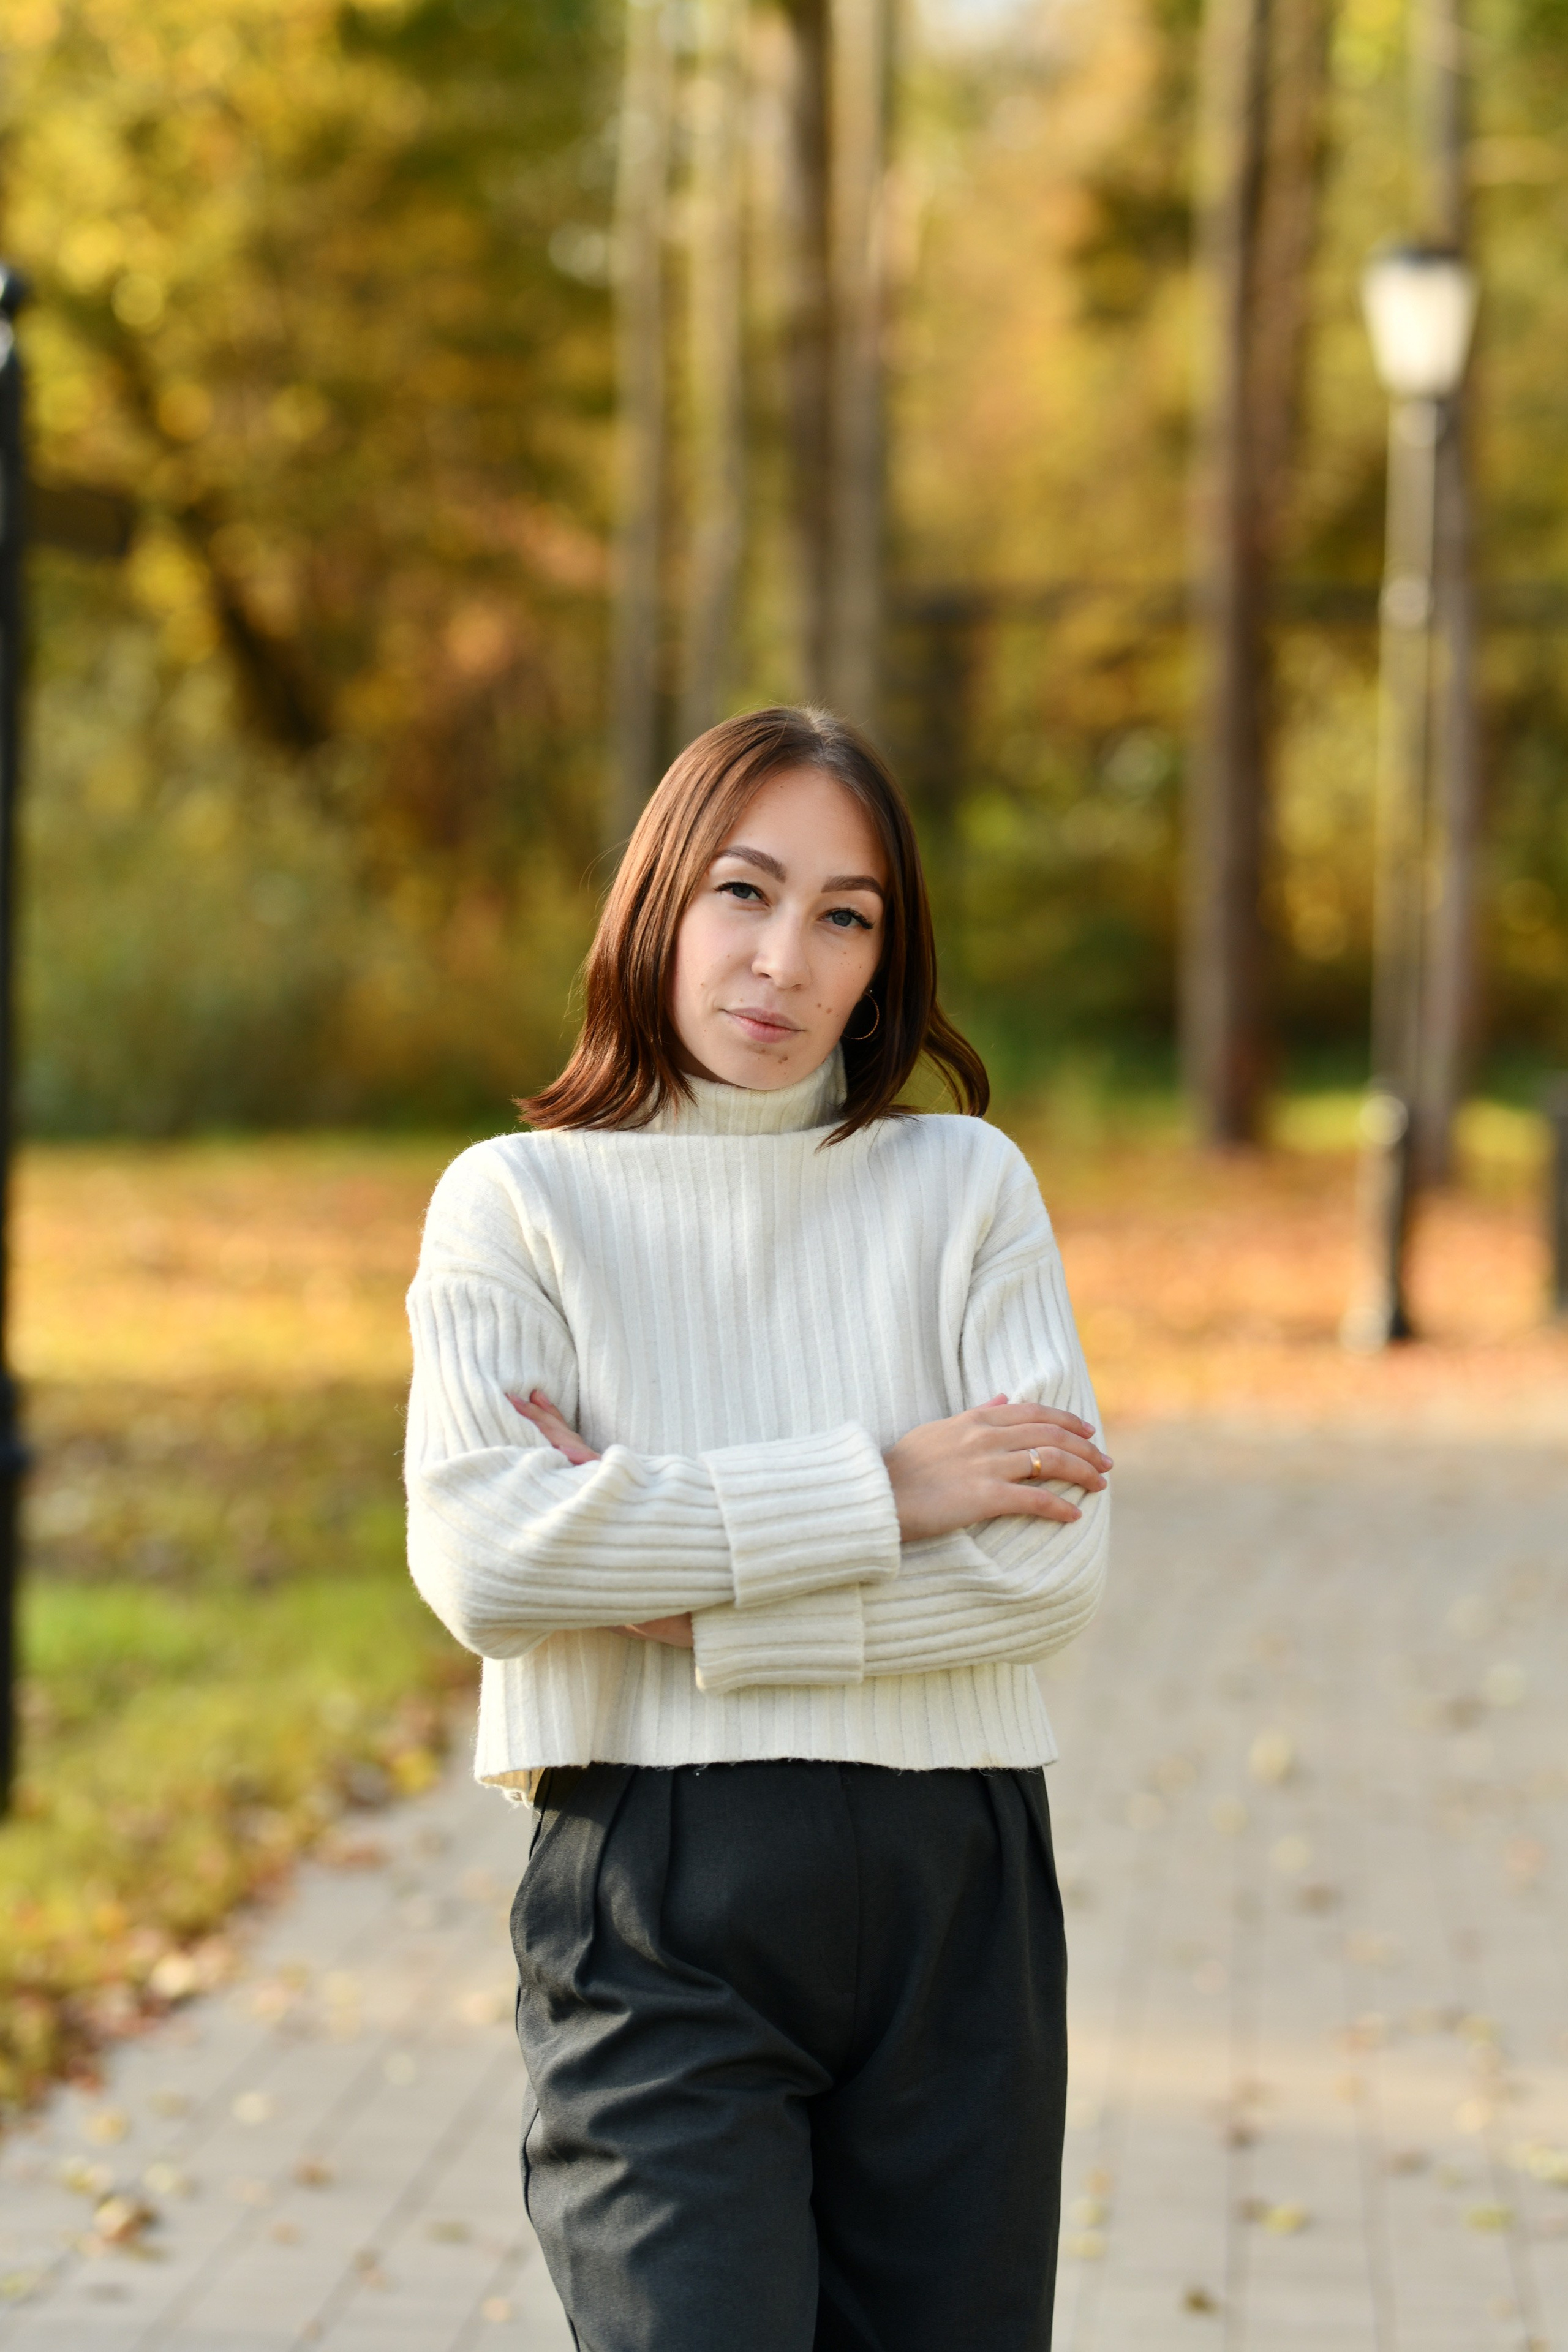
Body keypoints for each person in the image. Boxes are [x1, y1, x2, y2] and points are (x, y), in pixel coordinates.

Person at [404, 706, 1111, 2352]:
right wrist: (890, 1489)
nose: (784, 957)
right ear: (659, 901)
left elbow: (1049, 1569)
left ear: (886, 958)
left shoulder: (967, 1188)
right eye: (743, 890)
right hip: (654, 1894)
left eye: (845, 915)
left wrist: (693, 1609)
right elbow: (497, 1560)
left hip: (959, 1887)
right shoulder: (517, 1202)